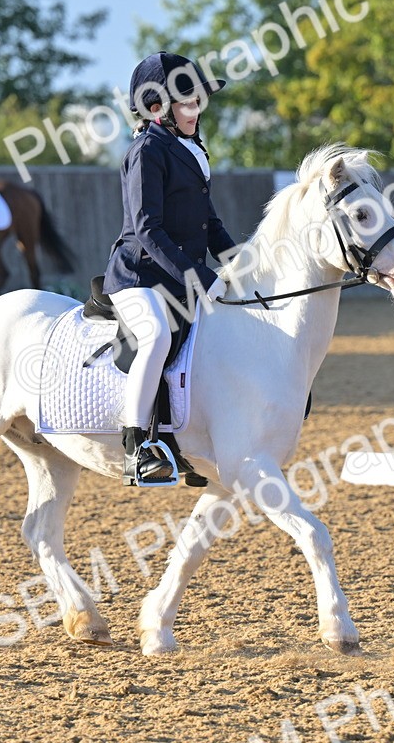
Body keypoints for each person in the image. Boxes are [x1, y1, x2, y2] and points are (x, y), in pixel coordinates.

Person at [103, 51, 238, 486]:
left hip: (177, 276)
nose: (195, 110)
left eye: (197, 101)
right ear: (156, 107)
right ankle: (137, 447)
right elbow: (147, 228)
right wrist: (197, 276)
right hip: (139, 275)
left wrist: (240, 263)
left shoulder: (191, 150)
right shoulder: (146, 151)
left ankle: (191, 440)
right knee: (158, 335)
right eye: (186, 102)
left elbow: (210, 223)